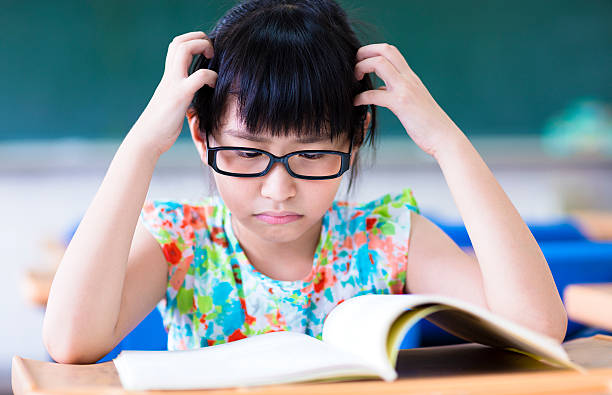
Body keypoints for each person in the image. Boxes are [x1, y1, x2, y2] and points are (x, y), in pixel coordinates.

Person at [42, 0, 567, 364]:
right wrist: (141, 147)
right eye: (247, 153)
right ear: (201, 138)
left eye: (312, 154)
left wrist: (447, 143)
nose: (278, 188)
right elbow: (69, 342)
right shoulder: (179, 241)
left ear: (353, 138)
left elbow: (537, 327)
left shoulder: (385, 238)